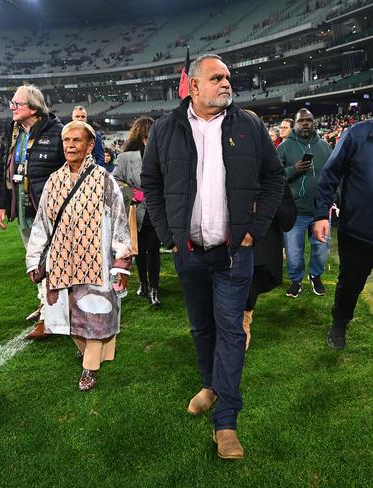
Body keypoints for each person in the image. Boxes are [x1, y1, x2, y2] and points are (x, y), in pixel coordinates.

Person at [141, 54, 284, 459]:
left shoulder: (250, 125)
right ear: (195, 86)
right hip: (188, 252)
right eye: (216, 77)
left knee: (231, 331)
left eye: (228, 77)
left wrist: (255, 230)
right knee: (202, 328)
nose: (226, 83)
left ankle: (227, 421)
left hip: (233, 254)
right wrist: (169, 234)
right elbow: (151, 181)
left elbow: (273, 178)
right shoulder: (167, 128)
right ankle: (209, 384)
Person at [26, 121, 132, 391]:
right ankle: (89, 352)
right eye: (66, 141)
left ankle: (90, 368)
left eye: (76, 140)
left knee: (97, 314)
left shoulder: (104, 179)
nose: (70, 146)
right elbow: (42, 223)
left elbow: (120, 221)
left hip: (97, 261)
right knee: (69, 317)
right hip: (62, 261)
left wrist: (121, 261)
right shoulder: (54, 180)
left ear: (90, 145)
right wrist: (34, 257)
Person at [0, 84, 65, 340]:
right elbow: (4, 168)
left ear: (34, 108)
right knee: (34, 259)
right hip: (22, 206)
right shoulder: (13, 131)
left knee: (50, 261)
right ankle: (44, 303)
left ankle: (50, 314)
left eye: (17, 104)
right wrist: (1, 203)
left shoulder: (56, 131)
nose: (12, 108)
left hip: (48, 209)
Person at [314, 118, 373, 350]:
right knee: (350, 285)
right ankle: (340, 322)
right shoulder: (356, 134)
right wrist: (320, 214)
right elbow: (330, 175)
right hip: (358, 232)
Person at [277, 109, 333, 298]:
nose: (306, 123)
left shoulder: (325, 147)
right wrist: (293, 170)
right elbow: (272, 176)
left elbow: (334, 174)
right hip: (295, 211)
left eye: (309, 120)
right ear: (295, 124)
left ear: (314, 123)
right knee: (294, 252)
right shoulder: (284, 147)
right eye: (302, 121)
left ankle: (315, 275)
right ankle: (296, 280)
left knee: (321, 248)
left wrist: (334, 198)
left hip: (320, 211)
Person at [113, 116, 161, 306]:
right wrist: (133, 193)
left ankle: (154, 288)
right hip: (136, 212)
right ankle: (143, 283)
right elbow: (115, 180)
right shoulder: (125, 157)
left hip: (156, 210)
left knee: (154, 251)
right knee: (139, 251)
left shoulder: (159, 154)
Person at [242, 184, 296, 349]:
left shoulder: (273, 175)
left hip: (262, 244)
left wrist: (270, 197)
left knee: (252, 280)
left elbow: (288, 218)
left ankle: (244, 321)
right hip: (225, 237)